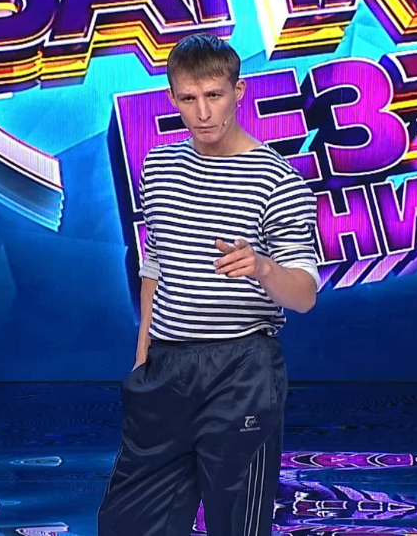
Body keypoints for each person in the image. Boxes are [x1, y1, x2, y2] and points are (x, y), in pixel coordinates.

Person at [97, 33, 321, 536]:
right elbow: (155, 266)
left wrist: (263, 268)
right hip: (166, 366)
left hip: (242, 370)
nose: (202, 112)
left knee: (236, 524)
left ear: (238, 92)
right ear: (173, 98)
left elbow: (305, 295)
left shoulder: (278, 180)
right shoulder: (159, 166)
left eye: (214, 95)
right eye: (189, 98)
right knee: (128, 523)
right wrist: (142, 357)